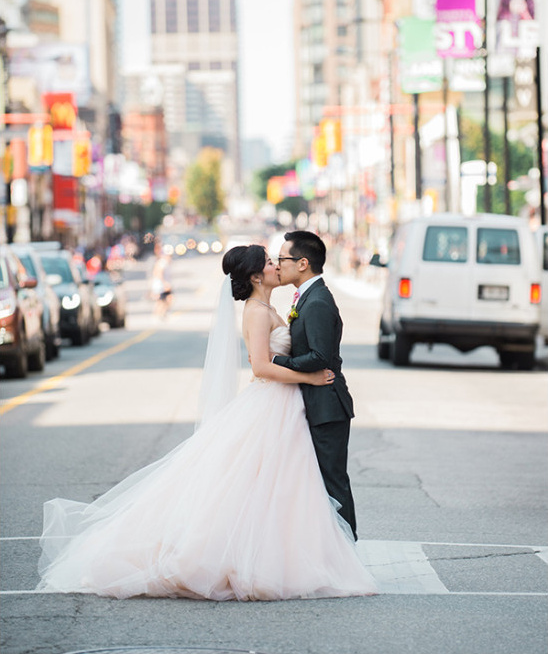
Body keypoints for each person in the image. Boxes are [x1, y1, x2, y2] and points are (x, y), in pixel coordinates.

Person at [36, 244, 376, 600]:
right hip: (273, 401)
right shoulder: (257, 312)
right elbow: (260, 366)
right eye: (271, 262)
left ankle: (281, 553)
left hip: (283, 403)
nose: (277, 266)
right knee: (260, 482)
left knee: (277, 487)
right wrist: (309, 379)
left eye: (278, 260)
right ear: (257, 276)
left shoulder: (268, 306)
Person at [274, 231, 358, 540]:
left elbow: (321, 356)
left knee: (332, 483)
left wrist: (276, 362)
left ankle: (347, 548)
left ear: (303, 263)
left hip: (327, 406)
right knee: (315, 482)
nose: (278, 265)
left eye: (283, 259)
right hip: (314, 403)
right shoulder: (307, 296)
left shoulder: (318, 301)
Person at [150, 242, 172, 316]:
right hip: (160, 285)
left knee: (163, 300)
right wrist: (164, 283)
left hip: (160, 284)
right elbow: (158, 273)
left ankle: (161, 313)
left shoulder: (163, 262)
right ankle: (158, 313)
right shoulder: (162, 262)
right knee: (162, 300)